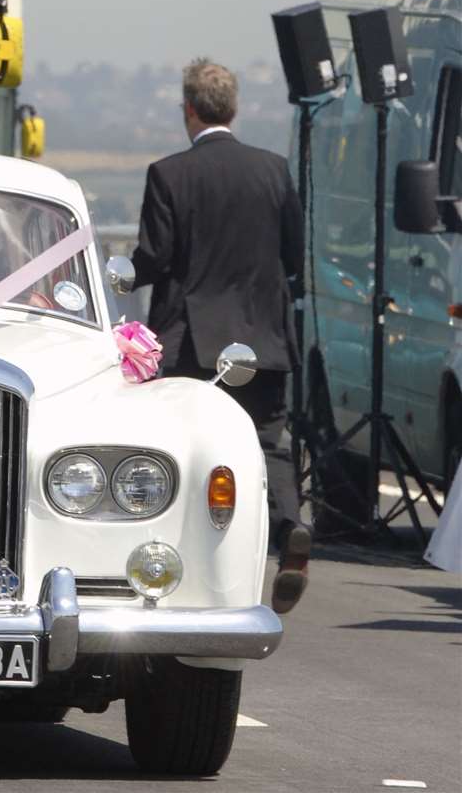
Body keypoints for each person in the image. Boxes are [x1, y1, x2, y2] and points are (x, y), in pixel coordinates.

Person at [131, 58, 310, 614]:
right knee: (266, 442)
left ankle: (185, 558)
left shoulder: (169, 174)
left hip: (193, 342)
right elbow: (292, 258)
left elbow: (156, 260)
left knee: (185, 449)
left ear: (188, 109)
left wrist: (127, 273)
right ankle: (290, 532)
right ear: (232, 108)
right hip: (263, 339)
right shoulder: (274, 170)